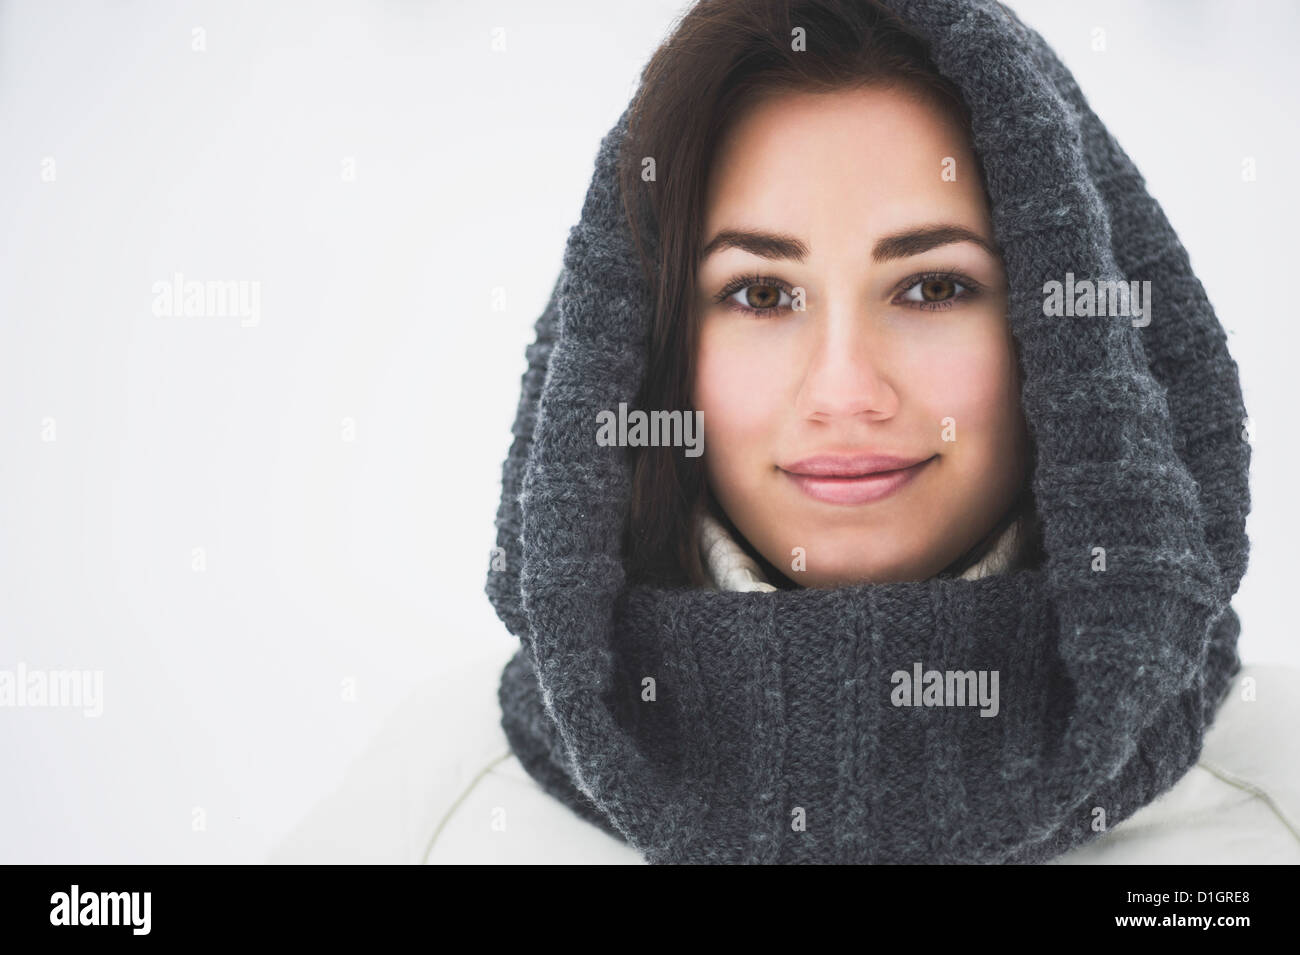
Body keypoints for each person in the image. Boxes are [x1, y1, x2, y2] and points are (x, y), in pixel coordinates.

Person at [268, 0, 1300, 865]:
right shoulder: (443, 811)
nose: (844, 389)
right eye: (761, 292)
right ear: (649, 345)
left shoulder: (1272, 805)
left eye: (932, 285)